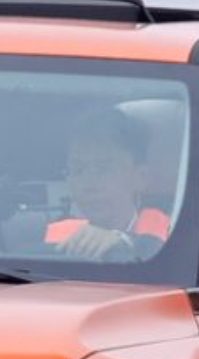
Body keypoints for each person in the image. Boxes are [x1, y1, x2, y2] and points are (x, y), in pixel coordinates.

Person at [46, 108, 170, 261]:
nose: (89, 184)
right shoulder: (55, 237)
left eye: (103, 169)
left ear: (140, 177)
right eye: (78, 170)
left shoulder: (168, 233)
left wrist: (122, 242)